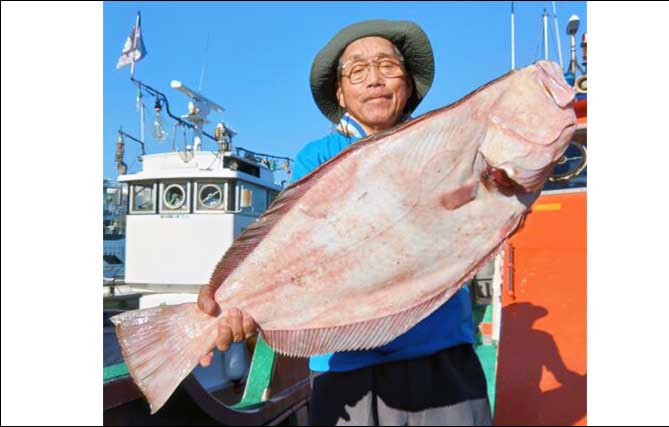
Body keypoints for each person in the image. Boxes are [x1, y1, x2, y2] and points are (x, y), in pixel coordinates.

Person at [197, 19, 492, 426]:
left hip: (441, 357)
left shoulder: (444, 144)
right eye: (357, 70)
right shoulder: (315, 159)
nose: (374, 79)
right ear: (340, 92)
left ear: (407, 83)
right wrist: (233, 300)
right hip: (346, 370)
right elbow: (287, 251)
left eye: (387, 66)